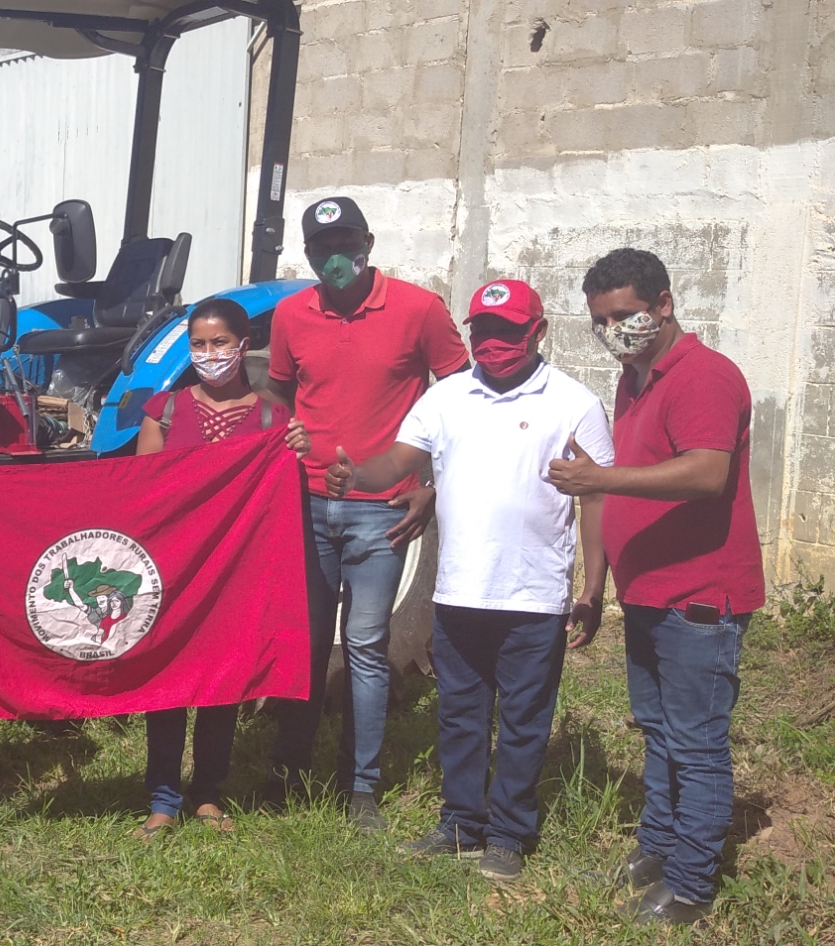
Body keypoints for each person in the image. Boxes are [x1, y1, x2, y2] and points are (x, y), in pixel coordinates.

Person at [323, 280, 611, 884]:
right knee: (459, 714)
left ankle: (508, 833)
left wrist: (591, 589)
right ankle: (461, 822)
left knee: (525, 717)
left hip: (533, 593)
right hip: (457, 591)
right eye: (483, 331)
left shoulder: (573, 402)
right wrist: (357, 473)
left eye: (508, 332)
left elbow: (598, 499)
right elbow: (398, 463)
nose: (494, 343)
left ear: (537, 333)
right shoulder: (446, 397)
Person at [548, 248, 765, 926]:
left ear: (663, 305)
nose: (614, 330)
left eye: (626, 315)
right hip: (648, 594)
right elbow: (625, 491)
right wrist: (596, 587)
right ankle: (659, 848)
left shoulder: (703, 377)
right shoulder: (634, 379)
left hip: (699, 598)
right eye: (601, 321)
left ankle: (693, 886)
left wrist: (599, 481)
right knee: (661, 735)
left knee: (696, 744)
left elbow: (705, 473)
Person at [260, 196, 471, 829]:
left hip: (382, 511)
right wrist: (284, 436)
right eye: (321, 247)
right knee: (303, 641)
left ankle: (360, 787)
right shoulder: (291, 314)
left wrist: (431, 482)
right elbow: (276, 392)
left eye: (345, 241)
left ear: (369, 243)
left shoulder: (418, 310)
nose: (334, 256)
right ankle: (289, 772)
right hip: (307, 501)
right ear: (308, 253)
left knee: (366, 644)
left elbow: (462, 400)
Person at [131, 298, 309, 836]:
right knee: (166, 681)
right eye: (199, 344)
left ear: (243, 346)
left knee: (221, 682)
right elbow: (142, 492)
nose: (209, 354)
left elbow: (284, 503)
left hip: (234, 573)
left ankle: (207, 791)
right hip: (174, 571)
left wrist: (297, 451)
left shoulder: (272, 419)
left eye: (220, 343)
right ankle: (163, 797)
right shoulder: (163, 410)